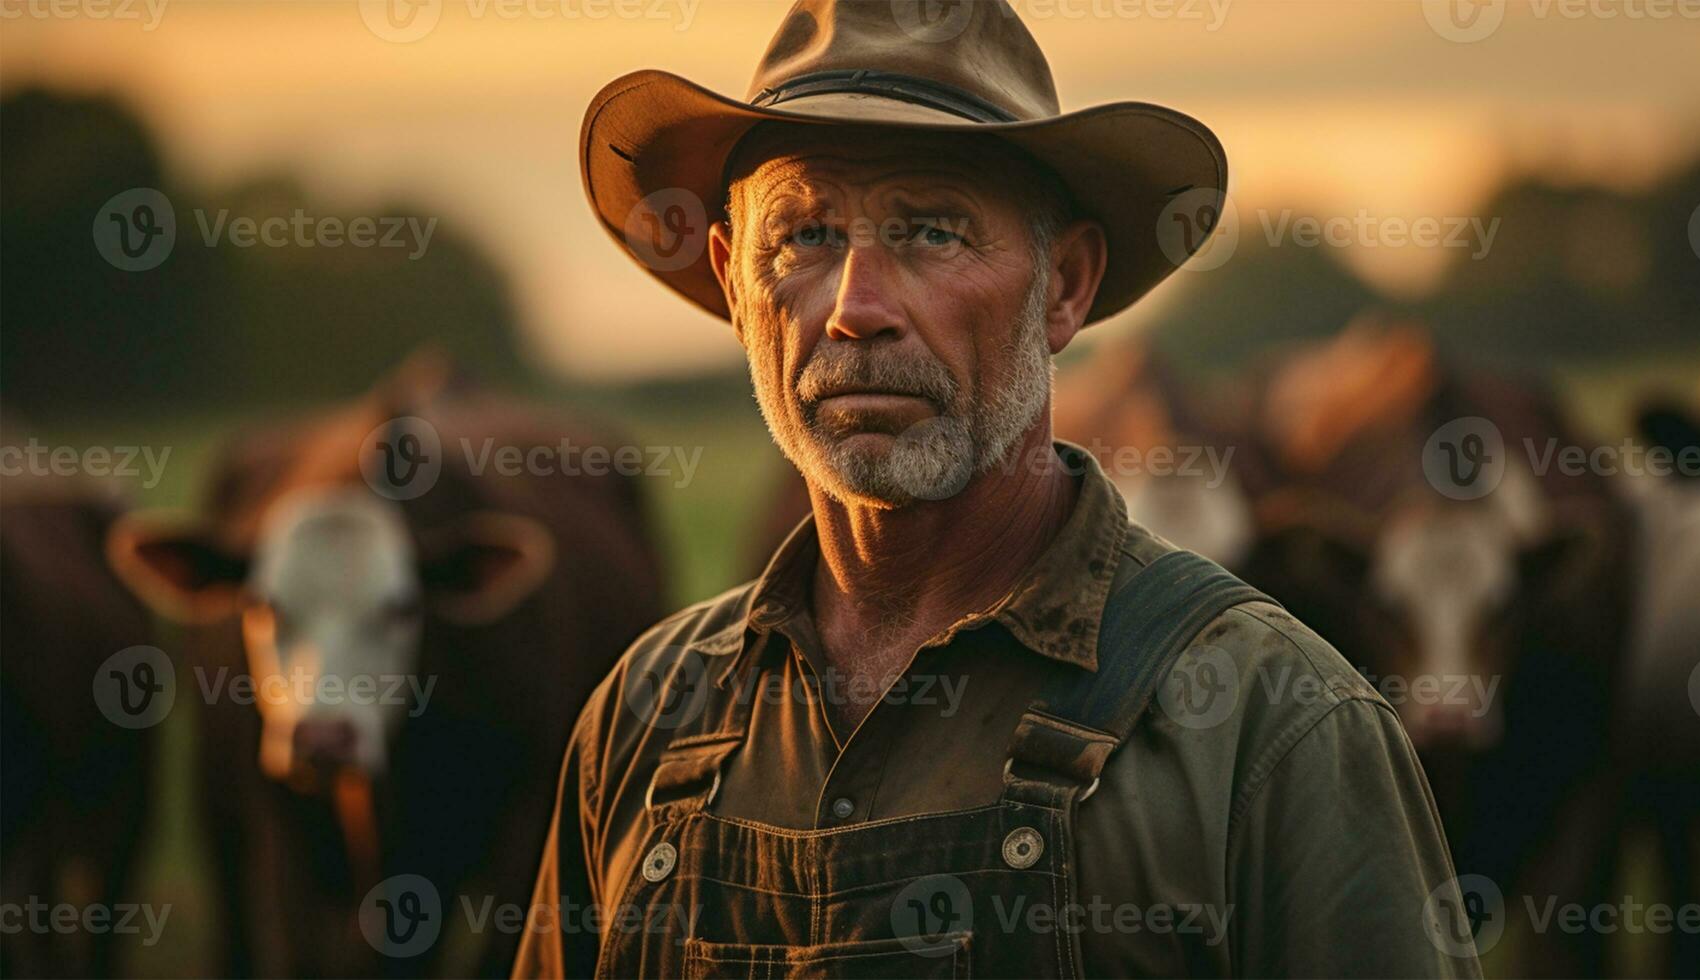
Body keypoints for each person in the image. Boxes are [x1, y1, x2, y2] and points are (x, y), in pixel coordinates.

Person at [514, 2, 1480, 975]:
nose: (857, 308)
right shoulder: (643, 720)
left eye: (932, 230)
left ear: (1064, 285)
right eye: (805, 234)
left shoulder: (1275, 725)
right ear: (732, 282)